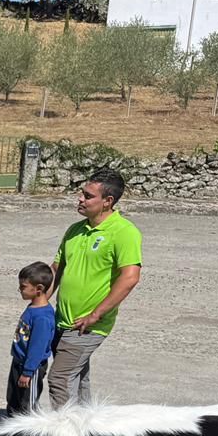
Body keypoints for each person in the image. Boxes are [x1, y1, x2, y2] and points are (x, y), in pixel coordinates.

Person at [48, 169, 143, 408]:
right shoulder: (75, 230)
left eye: (88, 196)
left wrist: (95, 315)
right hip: (62, 320)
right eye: (82, 193)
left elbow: (130, 277)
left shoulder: (124, 232)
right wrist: (38, 305)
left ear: (107, 202)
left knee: (60, 378)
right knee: (78, 379)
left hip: (89, 325)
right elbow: (56, 270)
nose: (80, 199)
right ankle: (87, 435)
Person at [7, 262, 57, 417]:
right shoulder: (32, 308)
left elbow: (37, 347)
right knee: (13, 399)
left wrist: (28, 372)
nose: (19, 290)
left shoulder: (42, 317)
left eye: (23, 286)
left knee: (27, 404)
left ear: (39, 289)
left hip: (31, 368)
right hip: (19, 361)